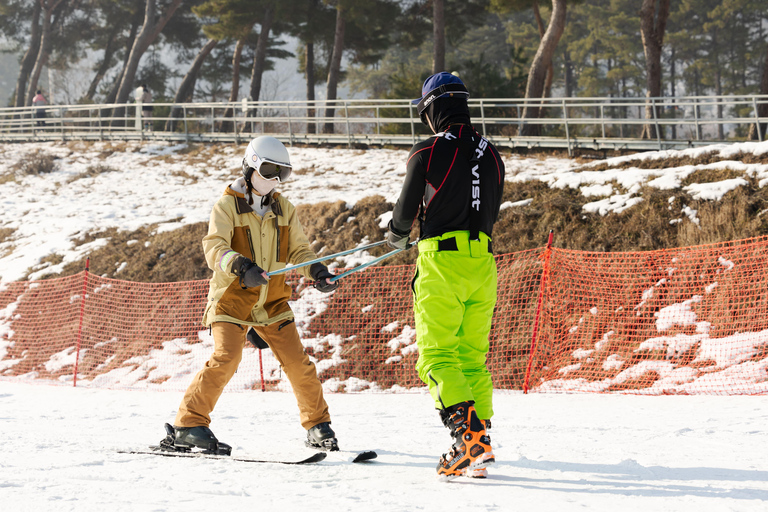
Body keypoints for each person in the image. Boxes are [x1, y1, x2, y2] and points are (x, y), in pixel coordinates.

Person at [163, 136, 341, 454]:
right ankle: (188, 425)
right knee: (227, 357)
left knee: (298, 362)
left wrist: (316, 271)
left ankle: (317, 425)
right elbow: (214, 248)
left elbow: (299, 250)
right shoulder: (227, 206)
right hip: (232, 297)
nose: (275, 180)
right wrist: (241, 266)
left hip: (271, 302)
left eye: (282, 173)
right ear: (250, 167)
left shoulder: (284, 209)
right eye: (270, 171)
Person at [387, 72, 506, 479]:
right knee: (472, 358)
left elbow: (405, 212)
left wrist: (397, 234)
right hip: (483, 262)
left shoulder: (427, 150)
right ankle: (481, 441)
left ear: (432, 109)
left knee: (437, 355)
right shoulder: (493, 155)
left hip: (442, 261)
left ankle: (468, 440)